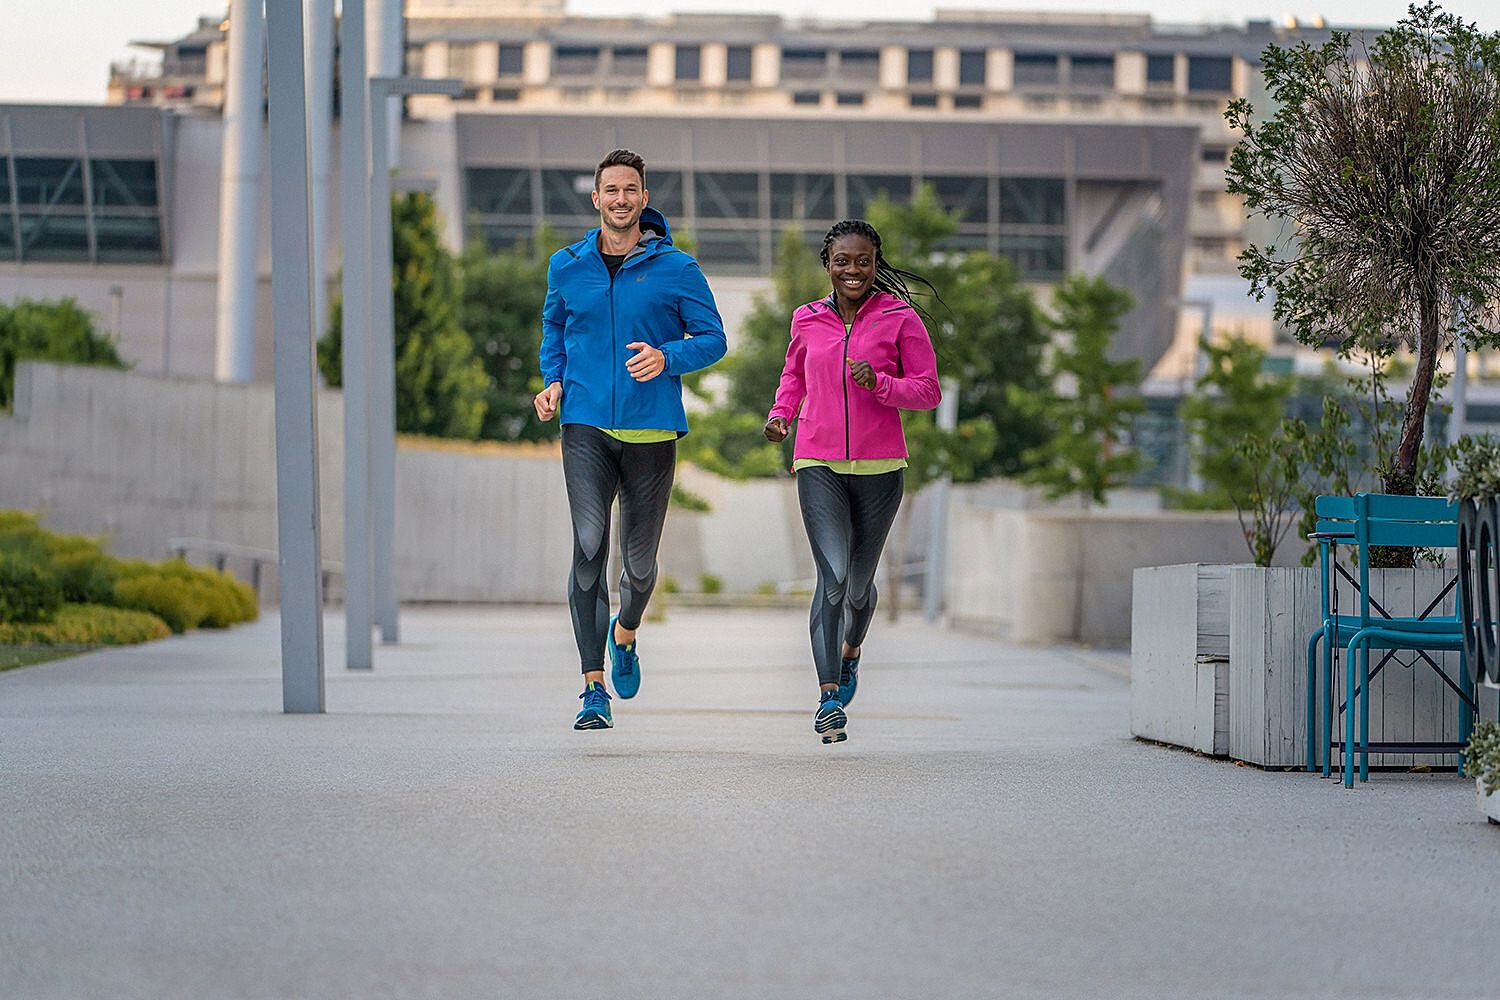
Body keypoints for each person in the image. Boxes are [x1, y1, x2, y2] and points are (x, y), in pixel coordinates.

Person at [534, 148, 727, 731]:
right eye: (610, 190)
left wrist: (667, 357)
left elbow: (714, 340)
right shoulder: (566, 265)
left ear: (644, 199)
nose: (620, 199)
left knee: (638, 568)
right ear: (596, 199)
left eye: (630, 190)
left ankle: (626, 634)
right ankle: (592, 687)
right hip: (585, 424)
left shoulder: (678, 269)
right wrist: (553, 382)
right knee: (589, 545)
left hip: (651, 429)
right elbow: (554, 327)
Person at [763, 219, 941, 744]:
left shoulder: (900, 317)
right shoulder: (807, 318)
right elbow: (793, 376)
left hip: (881, 469)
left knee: (860, 588)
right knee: (834, 576)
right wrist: (781, 415)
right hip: (817, 461)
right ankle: (827, 697)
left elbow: (927, 390)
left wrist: (881, 383)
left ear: (875, 262)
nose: (853, 270)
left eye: (862, 260)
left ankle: (851, 651)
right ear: (828, 264)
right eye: (842, 260)